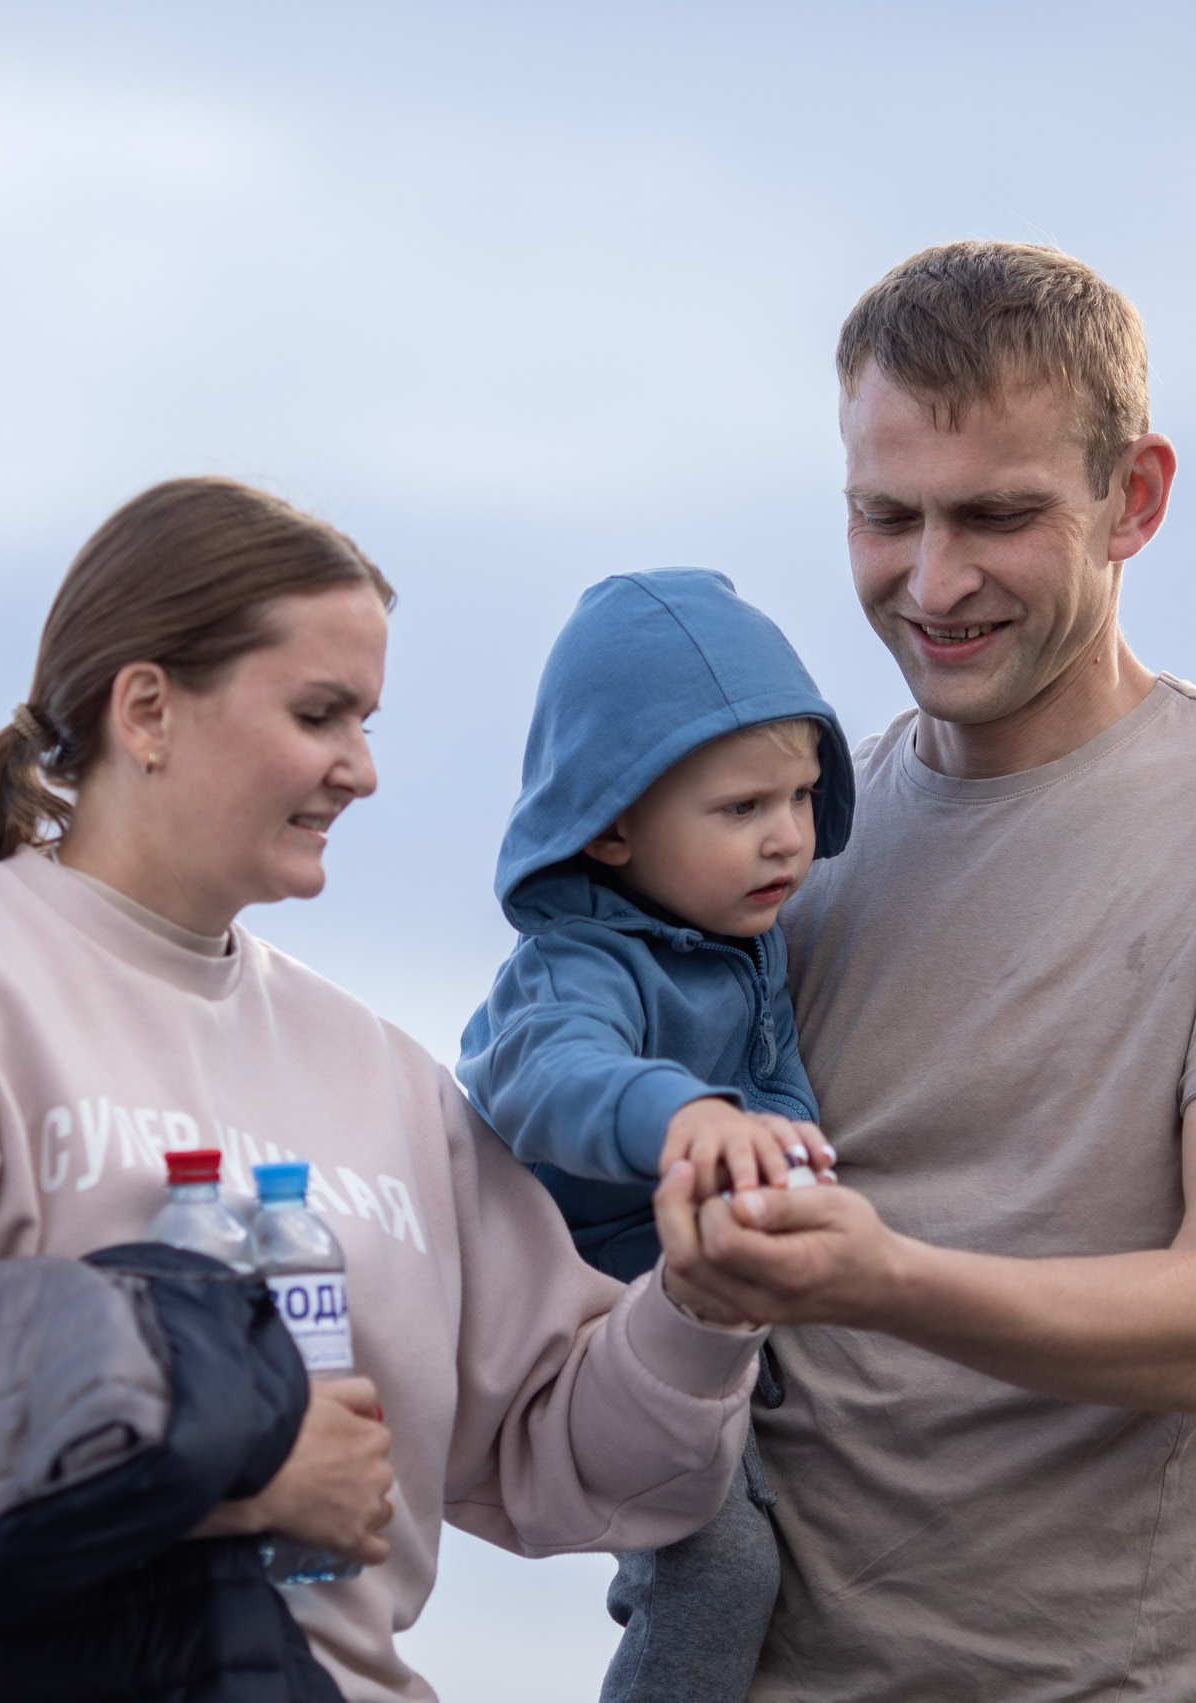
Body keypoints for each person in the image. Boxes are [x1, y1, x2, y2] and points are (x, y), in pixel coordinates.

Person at [0, 478, 769, 1703]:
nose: (361, 769)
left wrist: (702, 1300)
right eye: (319, 712)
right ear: (146, 708)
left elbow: (583, 1467)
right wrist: (231, 1487)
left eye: (369, 721)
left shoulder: (380, 1074)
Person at [655, 242, 1196, 1701]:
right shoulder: (791, 840)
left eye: (998, 516)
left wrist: (881, 1275)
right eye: (887, 516)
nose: (933, 580)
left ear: (1133, 498)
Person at [454, 569, 851, 1703]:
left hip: (677, 1313)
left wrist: (783, 1149)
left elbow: (774, 1076)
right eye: (740, 810)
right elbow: (550, 1076)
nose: (786, 839)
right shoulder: (575, 963)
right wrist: (685, 1115)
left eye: (801, 796)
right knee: (719, 1568)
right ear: (615, 826)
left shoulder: (745, 940)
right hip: (550, 1315)